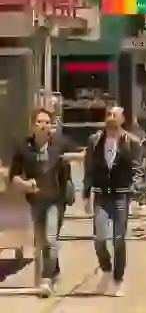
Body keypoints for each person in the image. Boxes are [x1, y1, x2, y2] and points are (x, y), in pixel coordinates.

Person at [8, 108, 76, 298]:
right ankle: (54, 272)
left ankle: (46, 280)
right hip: (36, 200)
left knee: (51, 240)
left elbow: (82, 153)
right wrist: (24, 184)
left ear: (51, 125)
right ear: (32, 125)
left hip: (56, 199)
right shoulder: (23, 147)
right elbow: (13, 176)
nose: (43, 125)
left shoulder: (59, 144)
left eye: (47, 122)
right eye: (39, 121)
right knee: (41, 243)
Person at [82, 106, 144, 297]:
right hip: (101, 195)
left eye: (115, 115)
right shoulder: (95, 141)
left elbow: (138, 171)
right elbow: (89, 169)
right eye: (108, 115)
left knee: (119, 239)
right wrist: (86, 194)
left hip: (121, 196)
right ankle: (106, 269)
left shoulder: (131, 143)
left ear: (122, 119)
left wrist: (135, 193)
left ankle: (118, 278)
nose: (111, 118)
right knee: (99, 238)